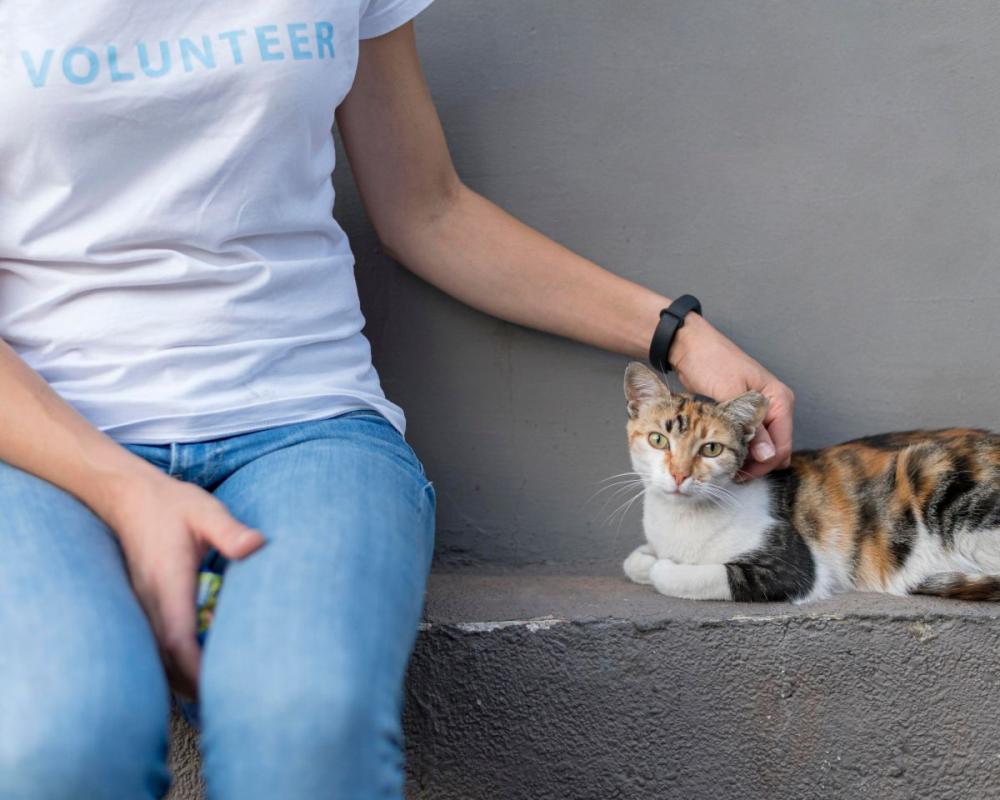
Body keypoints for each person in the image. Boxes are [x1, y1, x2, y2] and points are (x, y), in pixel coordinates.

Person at [0, 3, 795, 799]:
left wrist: (678, 336)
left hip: (307, 427)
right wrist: (128, 493)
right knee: (63, 747)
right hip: (39, 444)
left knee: (310, 732)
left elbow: (429, 210)